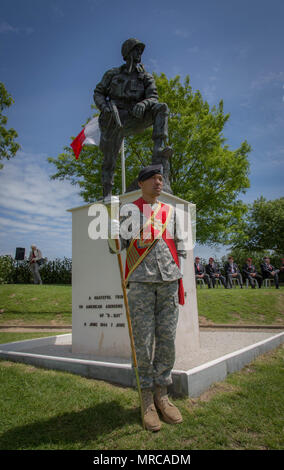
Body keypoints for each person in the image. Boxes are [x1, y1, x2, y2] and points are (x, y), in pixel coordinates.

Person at [108, 164, 185, 431]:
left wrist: (180, 273)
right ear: (141, 183)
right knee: (142, 341)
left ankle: (162, 395)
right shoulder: (129, 211)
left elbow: (178, 245)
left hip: (168, 281)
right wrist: (112, 232)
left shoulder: (170, 212)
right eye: (153, 178)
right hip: (141, 281)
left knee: (166, 339)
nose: (158, 182)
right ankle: (146, 399)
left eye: (161, 178)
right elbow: (117, 247)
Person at [94, 38, 172, 198]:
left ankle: (159, 150)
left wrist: (144, 103)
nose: (139, 54)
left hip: (136, 115)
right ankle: (106, 193)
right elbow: (98, 93)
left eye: (140, 51)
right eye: (136, 50)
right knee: (109, 158)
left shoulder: (145, 77)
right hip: (114, 118)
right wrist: (104, 107)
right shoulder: (112, 74)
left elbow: (154, 97)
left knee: (161, 108)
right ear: (127, 53)